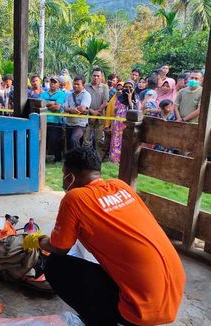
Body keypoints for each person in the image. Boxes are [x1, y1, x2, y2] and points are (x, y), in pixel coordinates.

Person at [23, 147, 185, 326]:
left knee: (55, 266)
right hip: (172, 293)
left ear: (70, 176)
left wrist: (37, 240)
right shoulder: (121, 186)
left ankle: (100, 321)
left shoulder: (75, 198)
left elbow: (60, 247)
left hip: (140, 310)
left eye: (63, 174)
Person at [83, 68, 109, 160]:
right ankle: (85, 157)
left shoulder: (105, 87)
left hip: (100, 116)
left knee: (98, 139)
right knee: (86, 138)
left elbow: (106, 102)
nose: (96, 77)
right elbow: (84, 102)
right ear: (91, 76)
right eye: (94, 75)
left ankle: (98, 158)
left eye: (98, 76)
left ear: (101, 76)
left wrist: (97, 112)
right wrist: (91, 112)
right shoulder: (86, 86)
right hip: (88, 116)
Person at [109, 81, 137, 163]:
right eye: (126, 87)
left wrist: (129, 99)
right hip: (117, 125)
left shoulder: (135, 98)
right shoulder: (119, 98)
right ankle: (114, 160)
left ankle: (124, 160)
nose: (128, 89)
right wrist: (112, 125)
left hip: (128, 125)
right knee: (116, 141)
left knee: (126, 142)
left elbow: (134, 110)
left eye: (130, 87)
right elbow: (115, 111)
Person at [40, 76, 66, 162]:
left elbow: (57, 107)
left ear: (59, 84)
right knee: (43, 140)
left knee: (55, 140)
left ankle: (57, 158)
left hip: (55, 121)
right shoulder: (43, 94)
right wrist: (52, 103)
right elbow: (40, 105)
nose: (52, 84)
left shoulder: (62, 94)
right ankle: (42, 157)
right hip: (43, 120)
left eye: (55, 82)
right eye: (51, 82)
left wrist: (46, 105)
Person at [64, 75, 91, 150]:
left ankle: (78, 159)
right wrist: (73, 110)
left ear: (83, 85)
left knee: (74, 139)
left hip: (80, 124)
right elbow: (65, 108)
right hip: (69, 122)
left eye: (78, 84)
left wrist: (70, 110)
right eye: (74, 84)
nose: (75, 86)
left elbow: (82, 109)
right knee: (69, 144)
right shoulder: (69, 95)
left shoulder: (86, 95)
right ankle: (71, 160)